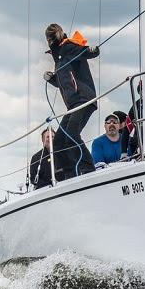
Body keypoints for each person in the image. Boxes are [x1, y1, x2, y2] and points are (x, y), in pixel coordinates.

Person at [43, 23, 100, 179]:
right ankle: (69, 175)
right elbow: (64, 82)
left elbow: (85, 52)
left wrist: (93, 51)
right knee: (60, 142)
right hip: (74, 103)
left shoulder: (67, 47)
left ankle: (88, 169)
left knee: (72, 135)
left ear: (50, 38)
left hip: (83, 99)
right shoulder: (58, 57)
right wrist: (52, 79)